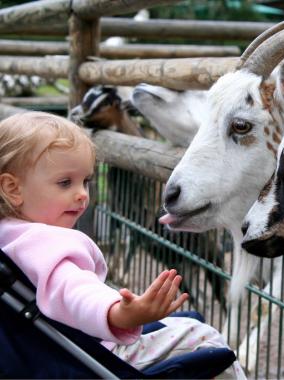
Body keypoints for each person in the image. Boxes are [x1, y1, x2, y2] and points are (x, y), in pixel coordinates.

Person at [0, 111, 245, 378]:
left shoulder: (8, 235)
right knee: (202, 336)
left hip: (49, 353)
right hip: (97, 354)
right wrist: (118, 313)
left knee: (180, 322)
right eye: (65, 183)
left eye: (86, 181)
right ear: (13, 188)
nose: (82, 194)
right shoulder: (45, 244)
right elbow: (74, 292)